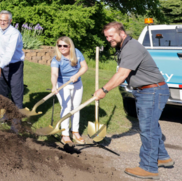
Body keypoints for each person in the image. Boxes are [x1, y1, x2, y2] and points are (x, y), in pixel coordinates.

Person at [94, 22, 173, 180]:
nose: (109, 39)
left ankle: (149, 168)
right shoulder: (125, 47)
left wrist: (104, 90)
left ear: (122, 33)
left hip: (152, 91)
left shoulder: (131, 47)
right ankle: (163, 157)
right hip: (148, 91)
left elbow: (122, 74)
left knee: (147, 130)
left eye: (111, 36)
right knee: (152, 127)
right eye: (107, 37)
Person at [0, 10, 24, 131]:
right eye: (0, 20)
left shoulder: (14, 33)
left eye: (5, 20)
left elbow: (9, 53)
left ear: (10, 21)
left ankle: (16, 124)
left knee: (16, 94)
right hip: (2, 65)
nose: (2, 22)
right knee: (3, 93)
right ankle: (5, 116)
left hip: (15, 65)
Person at [50, 36, 88, 145]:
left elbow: (84, 67)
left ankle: (75, 131)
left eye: (65, 45)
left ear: (70, 46)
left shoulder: (76, 53)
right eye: (59, 45)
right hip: (63, 84)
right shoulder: (56, 59)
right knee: (66, 108)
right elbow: (54, 74)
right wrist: (54, 86)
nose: (62, 48)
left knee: (76, 108)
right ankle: (65, 134)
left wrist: (77, 75)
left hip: (77, 83)